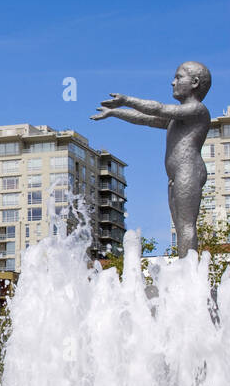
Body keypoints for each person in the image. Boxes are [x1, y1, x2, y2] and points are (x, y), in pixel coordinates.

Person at [91, 62, 212, 257]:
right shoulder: (178, 118)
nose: (173, 82)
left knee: (186, 225)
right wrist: (115, 112)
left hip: (188, 171)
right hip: (176, 175)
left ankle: (189, 275)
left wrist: (126, 100)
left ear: (195, 82)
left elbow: (159, 109)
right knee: (180, 226)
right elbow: (146, 119)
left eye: (179, 77)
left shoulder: (197, 110)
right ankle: (185, 269)